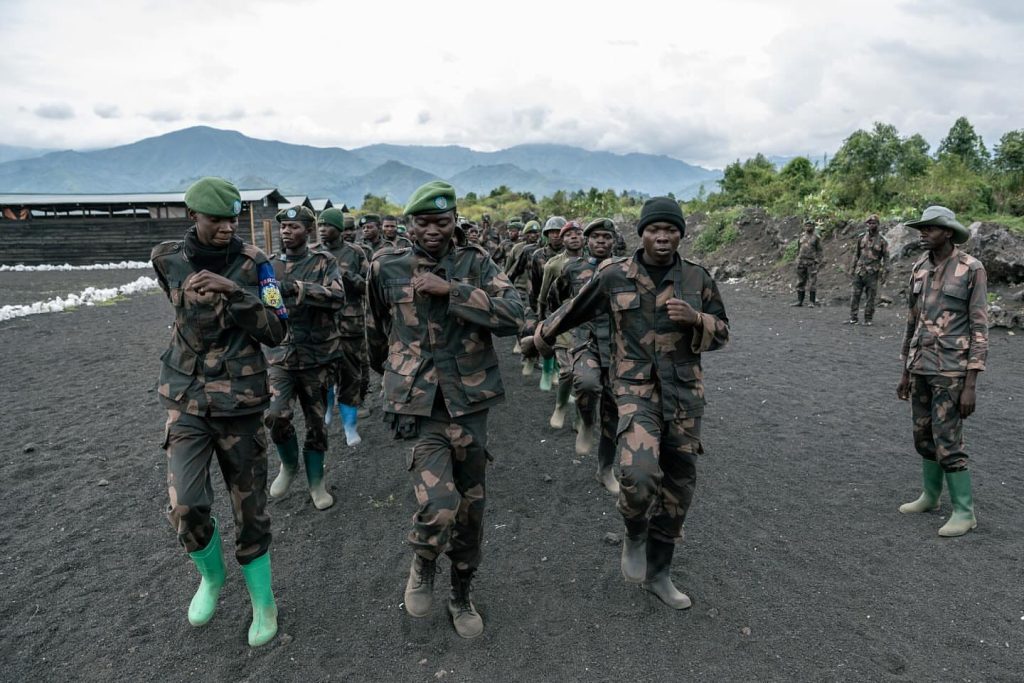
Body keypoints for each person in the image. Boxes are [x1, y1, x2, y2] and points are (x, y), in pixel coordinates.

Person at [522, 197, 729, 610]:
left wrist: (697, 319)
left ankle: (660, 574)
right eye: (655, 229)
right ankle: (635, 530)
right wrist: (540, 338)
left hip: (686, 396)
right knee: (638, 472)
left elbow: (722, 331)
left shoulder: (697, 278)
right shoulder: (614, 276)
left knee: (679, 488)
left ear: (681, 234)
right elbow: (573, 310)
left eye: (671, 230)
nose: (663, 237)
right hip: (635, 392)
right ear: (642, 233)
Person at [366, 180, 525, 639]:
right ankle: (423, 560)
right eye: (423, 222)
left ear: (455, 221)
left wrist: (452, 290)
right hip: (420, 406)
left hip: (470, 404)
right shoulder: (386, 265)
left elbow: (515, 315)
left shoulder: (477, 263)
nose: (433, 230)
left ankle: (461, 593)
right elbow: (376, 328)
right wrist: (393, 376)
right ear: (408, 223)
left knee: (471, 509)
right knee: (439, 505)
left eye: (442, 221)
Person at [151, 176, 287, 647]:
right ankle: (210, 577)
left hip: (241, 404)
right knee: (185, 505)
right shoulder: (166, 259)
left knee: (250, 511)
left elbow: (277, 329)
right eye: (216, 219)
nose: (228, 227)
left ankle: (263, 603)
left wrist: (236, 291)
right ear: (193, 217)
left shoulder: (257, 264)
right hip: (185, 398)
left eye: (233, 218)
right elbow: (176, 306)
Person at [896, 206, 987, 537]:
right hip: (920, 366)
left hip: (951, 370)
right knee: (923, 435)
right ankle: (931, 496)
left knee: (948, 438)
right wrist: (905, 370)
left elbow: (979, 326)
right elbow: (912, 321)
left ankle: (965, 512)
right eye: (921, 228)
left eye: (930, 228)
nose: (923, 233)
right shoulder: (919, 267)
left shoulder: (971, 269)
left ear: (947, 232)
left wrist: (971, 383)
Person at [265, 206, 346, 511]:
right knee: (275, 415)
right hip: (281, 356)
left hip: (317, 357)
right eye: (284, 226)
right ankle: (288, 465)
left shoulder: (323, 262)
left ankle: (316, 482)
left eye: (294, 226)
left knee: (317, 425)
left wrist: (300, 288)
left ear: (308, 231)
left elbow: (338, 298)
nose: (287, 231)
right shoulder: (269, 265)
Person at [548, 218, 619, 492]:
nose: (601, 241)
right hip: (585, 341)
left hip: (617, 347)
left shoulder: (624, 269)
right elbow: (558, 300)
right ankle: (587, 422)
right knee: (587, 384)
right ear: (587, 241)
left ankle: (606, 469)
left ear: (614, 241)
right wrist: (557, 329)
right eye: (596, 237)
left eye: (606, 237)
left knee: (613, 411)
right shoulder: (573, 269)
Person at [316, 207, 370, 445]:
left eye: (326, 225)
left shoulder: (355, 253)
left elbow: (369, 286)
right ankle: (327, 409)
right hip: (322, 326)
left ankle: (350, 427)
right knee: (323, 374)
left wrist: (350, 277)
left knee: (350, 376)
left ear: (338, 229)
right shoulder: (313, 254)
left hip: (350, 325)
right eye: (319, 226)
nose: (322, 230)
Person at [537, 220, 583, 418]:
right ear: (562, 240)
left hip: (589, 326)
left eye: (577, 233)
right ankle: (561, 405)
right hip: (562, 324)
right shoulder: (553, 265)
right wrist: (542, 327)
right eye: (568, 234)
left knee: (586, 376)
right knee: (567, 372)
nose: (573, 237)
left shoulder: (597, 262)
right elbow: (543, 296)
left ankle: (582, 420)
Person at [847, 214, 889, 325]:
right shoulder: (861, 238)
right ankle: (853, 317)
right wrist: (852, 268)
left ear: (878, 224)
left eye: (874, 223)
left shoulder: (882, 241)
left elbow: (886, 258)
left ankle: (868, 318)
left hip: (872, 273)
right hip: (859, 271)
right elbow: (856, 254)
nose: (871, 225)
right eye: (869, 223)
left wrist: (884, 273)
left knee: (871, 297)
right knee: (855, 295)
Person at [791, 219, 823, 307]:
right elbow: (798, 248)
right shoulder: (801, 236)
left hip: (811, 262)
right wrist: (797, 258)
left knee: (812, 282)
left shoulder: (816, 237)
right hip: (801, 262)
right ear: (804, 227)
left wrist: (818, 261)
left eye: (810, 226)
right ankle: (799, 301)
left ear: (813, 227)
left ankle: (812, 302)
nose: (808, 227)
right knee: (800, 281)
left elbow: (820, 250)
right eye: (807, 225)